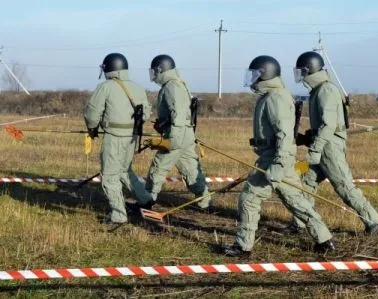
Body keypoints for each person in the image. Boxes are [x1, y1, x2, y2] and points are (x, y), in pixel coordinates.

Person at [224, 55, 335, 257]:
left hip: (275, 158)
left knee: (249, 198)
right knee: (296, 201)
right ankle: (324, 239)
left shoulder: (276, 98)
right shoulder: (272, 95)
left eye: (255, 74)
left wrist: (278, 163)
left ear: (264, 75)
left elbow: (284, 135)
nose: (252, 79)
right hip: (276, 156)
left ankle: (243, 247)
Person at [289, 51, 378, 235]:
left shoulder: (326, 90)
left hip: (329, 149)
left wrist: (315, 148)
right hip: (321, 147)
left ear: (311, 70)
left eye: (302, 71)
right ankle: (299, 224)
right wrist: (307, 138)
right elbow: (322, 127)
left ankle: (374, 223)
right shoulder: (318, 91)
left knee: (344, 186)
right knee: (306, 183)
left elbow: (329, 125)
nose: (300, 75)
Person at [84, 52, 153, 230]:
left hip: (114, 136)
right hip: (132, 137)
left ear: (108, 68)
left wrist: (92, 127)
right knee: (125, 171)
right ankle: (145, 199)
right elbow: (146, 114)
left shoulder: (105, 87)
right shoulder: (138, 88)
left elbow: (92, 112)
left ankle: (118, 215)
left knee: (109, 176)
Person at [144, 54, 211, 210]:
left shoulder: (171, 87)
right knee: (190, 169)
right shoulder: (177, 84)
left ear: (161, 70)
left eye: (155, 71)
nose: (153, 75)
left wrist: (172, 139)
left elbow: (179, 114)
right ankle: (205, 201)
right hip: (185, 135)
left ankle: (146, 200)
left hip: (176, 135)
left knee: (158, 167)